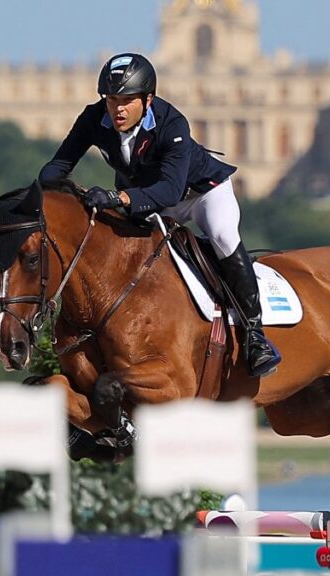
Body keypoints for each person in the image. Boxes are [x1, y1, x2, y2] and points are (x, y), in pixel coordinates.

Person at [38, 52, 281, 377]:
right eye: (111, 100)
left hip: (201, 193)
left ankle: (255, 336)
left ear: (147, 99)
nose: (117, 109)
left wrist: (116, 197)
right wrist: (43, 188)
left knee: (223, 236)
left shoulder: (172, 123)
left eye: (126, 100)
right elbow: (61, 162)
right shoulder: (95, 118)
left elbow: (168, 190)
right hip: (147, 198)